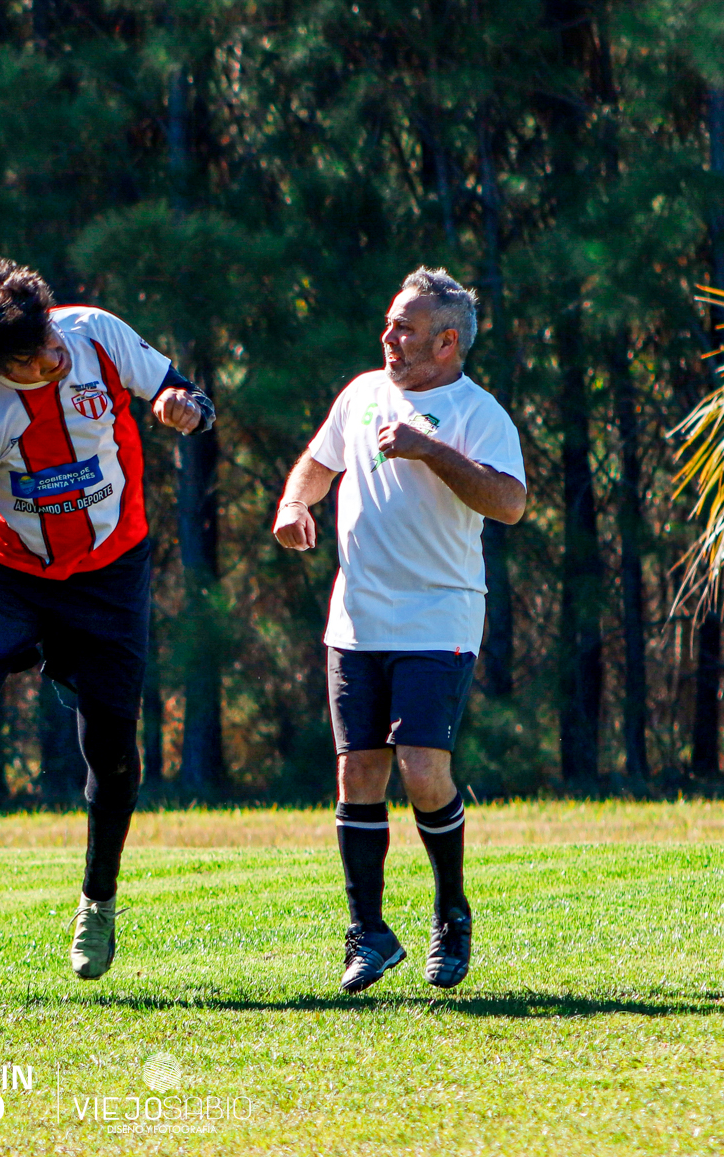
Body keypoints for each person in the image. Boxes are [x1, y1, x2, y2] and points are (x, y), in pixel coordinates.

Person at [0, 259, 213, 976]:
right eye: (32, 356)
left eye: (49, 335)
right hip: (8, 565)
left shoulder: (95, 333)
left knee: (111, 749)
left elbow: (186, 391)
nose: (54, 354)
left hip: (110, 569)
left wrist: (185, 407)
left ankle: (97, 902)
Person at [272, 267, 525, 994]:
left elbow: (509, 503)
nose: (388, 336)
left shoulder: (479, 412)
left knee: (420, 767)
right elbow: (317, 464)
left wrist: (430, 449)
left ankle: (451, 917)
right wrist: (294, 504)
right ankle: (370, 934)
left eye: (405, 328)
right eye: (389, 323)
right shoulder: (360, 393)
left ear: (446, 343)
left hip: (440, 614)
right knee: (358, 772)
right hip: (356, 618)